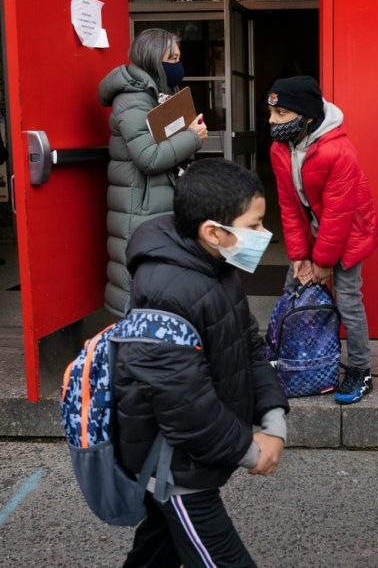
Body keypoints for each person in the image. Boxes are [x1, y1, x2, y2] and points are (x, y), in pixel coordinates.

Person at [114, 158, 290, 567]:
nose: (265, 235)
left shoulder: (214, 266)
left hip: (188, 456)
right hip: (174, 467)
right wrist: (249, 449)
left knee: (154, 554)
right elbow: (185, 407)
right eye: (254, 226)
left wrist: (273, 417)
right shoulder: (167, 292)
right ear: (213, 231)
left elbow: (248, 346)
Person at [267, 76, 378, 404]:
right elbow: (288, 206)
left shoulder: (338, 150)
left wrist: (323, 264)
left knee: (347, 299)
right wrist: (299, 256)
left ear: (306, 116)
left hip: (347, 233)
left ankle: (361, 370)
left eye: (281, 114)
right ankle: (291, 359)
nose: (272, 122)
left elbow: (339, 215)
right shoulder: (280, 149)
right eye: (271, 113)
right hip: (316, 233)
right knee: (293, 291)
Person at [99, 28, 208, 316]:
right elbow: (148, 157)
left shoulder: (156, 94)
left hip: (157, 205)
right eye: (171, 58)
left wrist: (186, 132)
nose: (178, 64)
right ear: (151, 59)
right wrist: (193, 137)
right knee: (137, 292)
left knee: (158, 286)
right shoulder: (133, 99)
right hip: (140, 208)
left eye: (179, 57)